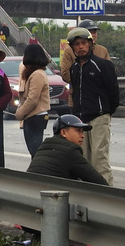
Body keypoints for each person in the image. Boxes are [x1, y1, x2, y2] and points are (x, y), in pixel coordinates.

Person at [66, 27, 119, 185]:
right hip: (80, 120)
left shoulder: (102, 65)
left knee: (99, 160)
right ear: (73, 47)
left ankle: (108, 197)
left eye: (84, 43)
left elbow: (113, 92)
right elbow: (75, 92)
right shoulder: (74, 68)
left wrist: (106, 112)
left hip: (99, 117)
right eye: (77, 44)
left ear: (90, 44)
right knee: (84, 161)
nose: (81, 47)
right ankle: (90, 197)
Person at [27, 115, 108, 185]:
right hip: (50, 197)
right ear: (64, 132)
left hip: (29, 191)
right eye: (78, 131)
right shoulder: (70, 151)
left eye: (82, 132)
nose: (82, 136)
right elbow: (98, 181)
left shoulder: (44, 146)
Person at [60, 19, 109, 111]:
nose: (93, 35)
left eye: (94, 32)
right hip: (77, 100)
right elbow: (65, 74)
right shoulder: (69, 51)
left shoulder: (103, 50)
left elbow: (109, 75)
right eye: (89, 32)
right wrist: (85, 78)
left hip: (100, 101)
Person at [14, 44, 50, 158]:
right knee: (34, 150)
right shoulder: (32, 73)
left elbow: (32, 99)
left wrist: (20, 113)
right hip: (32, 116)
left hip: (36, 116)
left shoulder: (37, 74)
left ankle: (38, 173)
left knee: (35, 151)